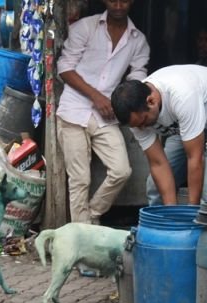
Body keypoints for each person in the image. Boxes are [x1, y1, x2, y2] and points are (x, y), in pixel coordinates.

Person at [56, 0, 150, 225]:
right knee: (79, 180)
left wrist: (121, 100)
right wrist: (96, 96)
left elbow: (138, 76)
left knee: (121, 170)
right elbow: (64, 68)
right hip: (73, 110)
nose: (118, 5)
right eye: (113, 0)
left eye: (124, 0)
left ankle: (92, 215)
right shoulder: (85, 28)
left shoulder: (138, 40)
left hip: (106, 115)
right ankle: (82, 234)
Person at [111, 64, 207, 206]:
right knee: (155, 188)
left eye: (144, 121)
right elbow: (158, 163)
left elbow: (195, 158)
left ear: (151, 101)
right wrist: (171, 211)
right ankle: (163, 226)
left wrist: (191, 211)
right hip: (185, 124)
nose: (141, 128)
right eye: (136, 126)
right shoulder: (136, 117)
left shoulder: (181, 95)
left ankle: (204, 227)